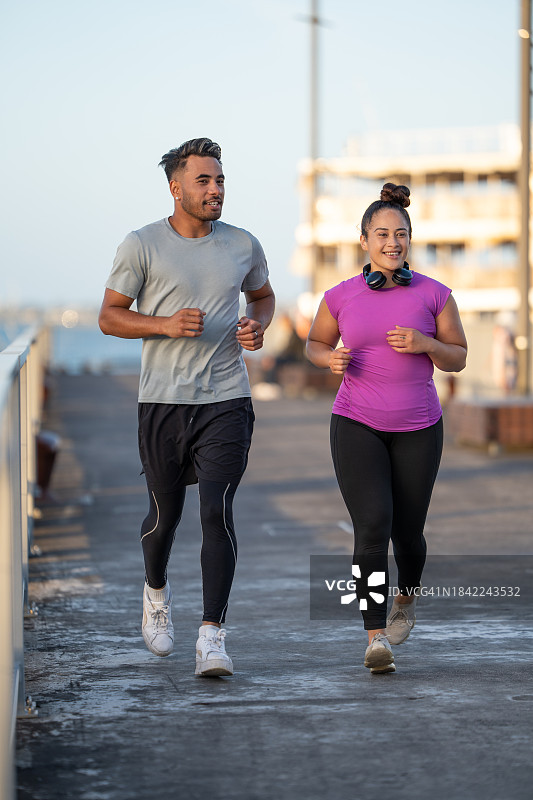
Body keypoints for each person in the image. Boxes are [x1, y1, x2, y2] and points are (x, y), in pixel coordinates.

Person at [99, 137, 275, 677]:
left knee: (216, 511)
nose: (215, 189)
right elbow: (109, 316)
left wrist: (257, 326)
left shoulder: (243, 244)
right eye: (204, 180)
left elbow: (263, 297)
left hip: (226, 397)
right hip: (163, 402)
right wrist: (164, 325)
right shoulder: (141, 245)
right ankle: (155, 592)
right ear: (176, 187)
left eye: (220, 179)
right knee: (165, 517)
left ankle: (212, 636)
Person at [306, 183, 467, 674]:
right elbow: (315, 343)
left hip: (419, 426)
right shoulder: (340, 296)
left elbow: (458, 358)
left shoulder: (435, 294)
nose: (391, 243)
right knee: (371, 526)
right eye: (381, 234)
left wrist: (426, 343)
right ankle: (375, 635)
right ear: (364, 241)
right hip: (356, 422)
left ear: (409, 239)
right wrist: (329, 358)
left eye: (400, 234)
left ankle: (406, 597)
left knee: (409, 534)